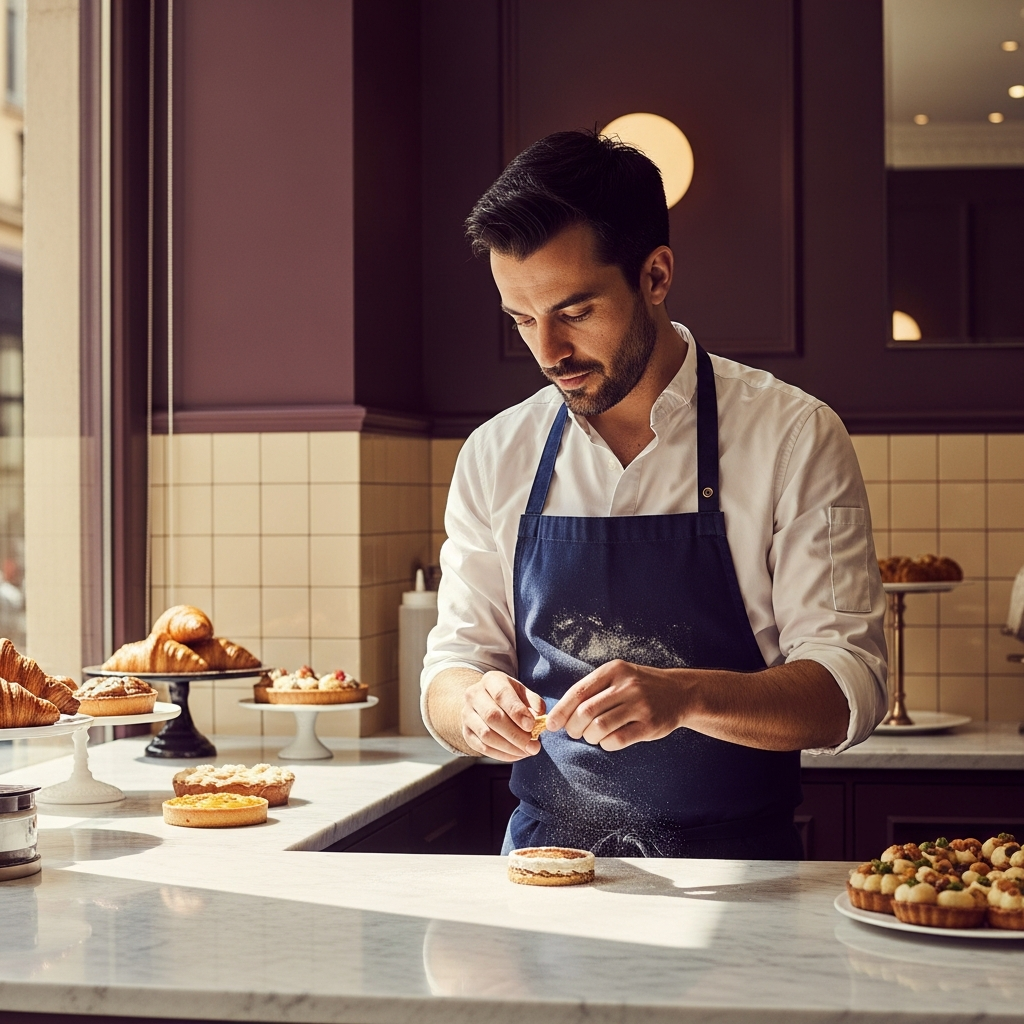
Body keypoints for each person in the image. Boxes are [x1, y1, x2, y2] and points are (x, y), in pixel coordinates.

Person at [421, 130, 887, 859]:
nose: (547, 353)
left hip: (741, 879)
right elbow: (453, 666)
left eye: (574, 312)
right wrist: (471, 706)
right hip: (547, 872)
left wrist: (687, 696)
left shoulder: (794, 435)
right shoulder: (494, 454)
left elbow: (847, 688)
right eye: (520, 318)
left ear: (656, 275)